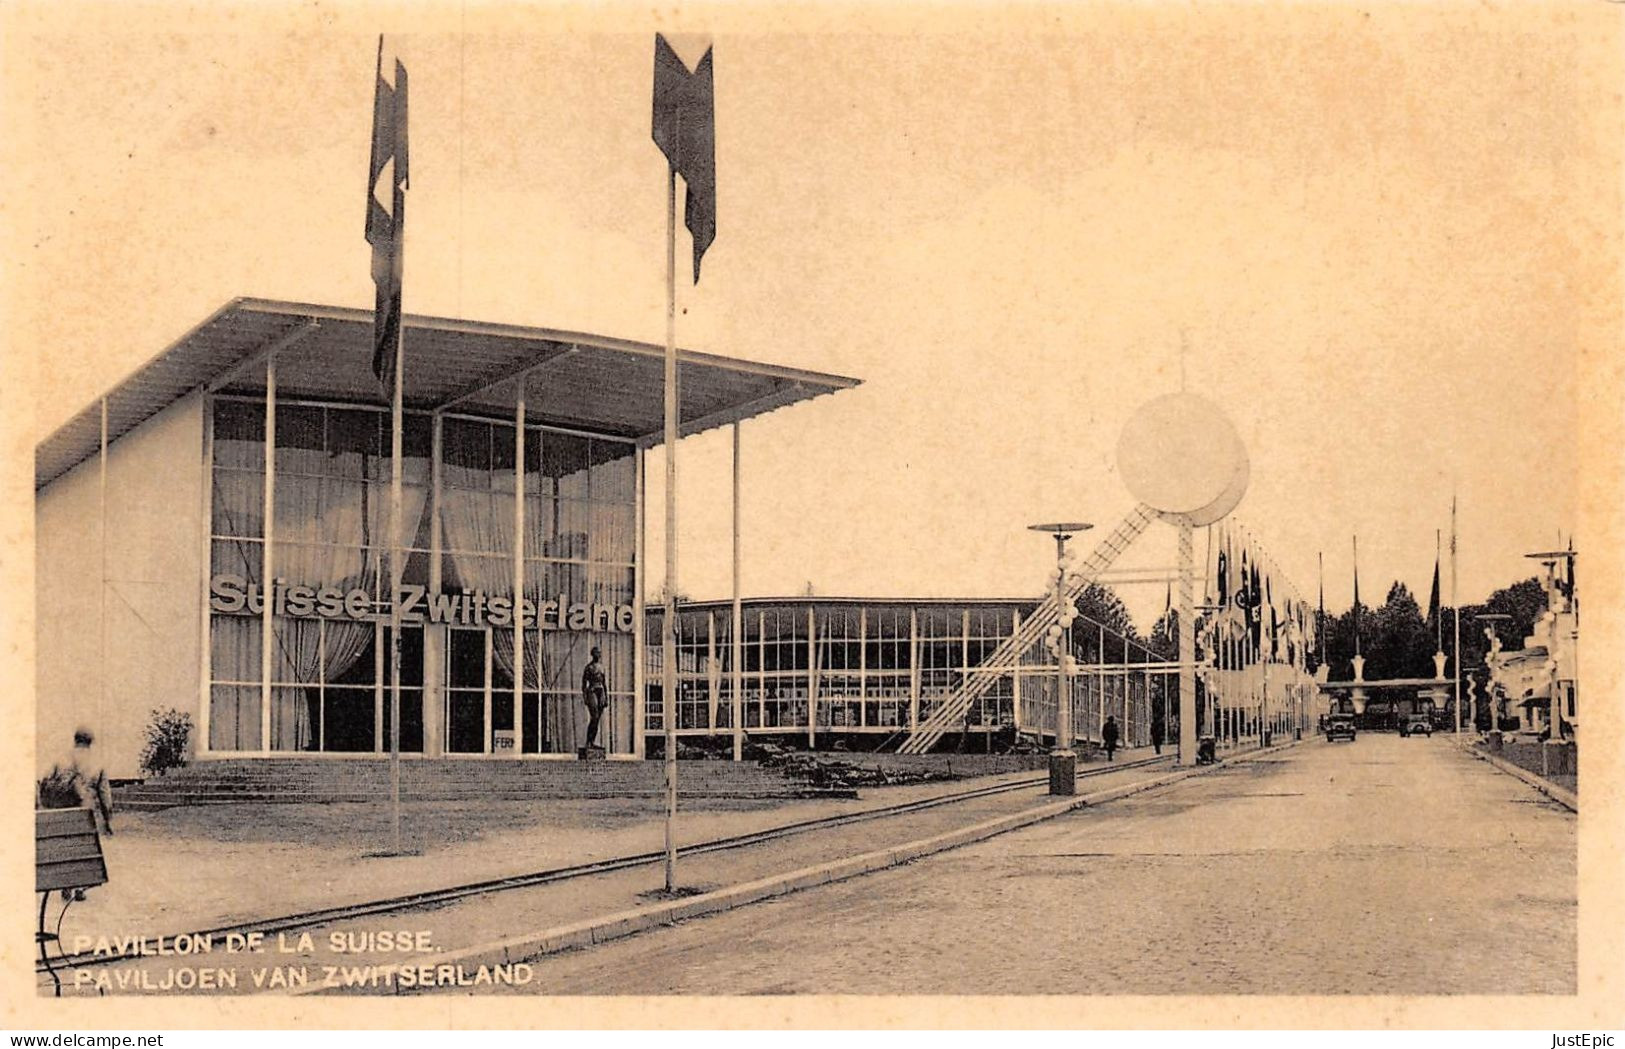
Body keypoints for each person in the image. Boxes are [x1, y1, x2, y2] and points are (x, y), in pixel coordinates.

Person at [38, 727, 114, 835]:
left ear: (75, 740)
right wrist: (107, 821)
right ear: (91, 741)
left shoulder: (60, 759)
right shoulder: (98, 763)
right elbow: (106, 799)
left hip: (61, 815)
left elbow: (44, 782)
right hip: (86, 815)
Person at [581, 647, 608, 751]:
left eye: (599, 653)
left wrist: (606, 697)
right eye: (596, 653)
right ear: (593, 655)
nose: (598, 655)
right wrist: (585, 697)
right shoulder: (589, 667)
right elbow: (583, 684)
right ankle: (588, 741)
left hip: (600, 692)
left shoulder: (602, 667)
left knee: (597, 719)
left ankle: (592, 742)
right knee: (594, 717)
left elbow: (604, 684)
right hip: (592, 691)